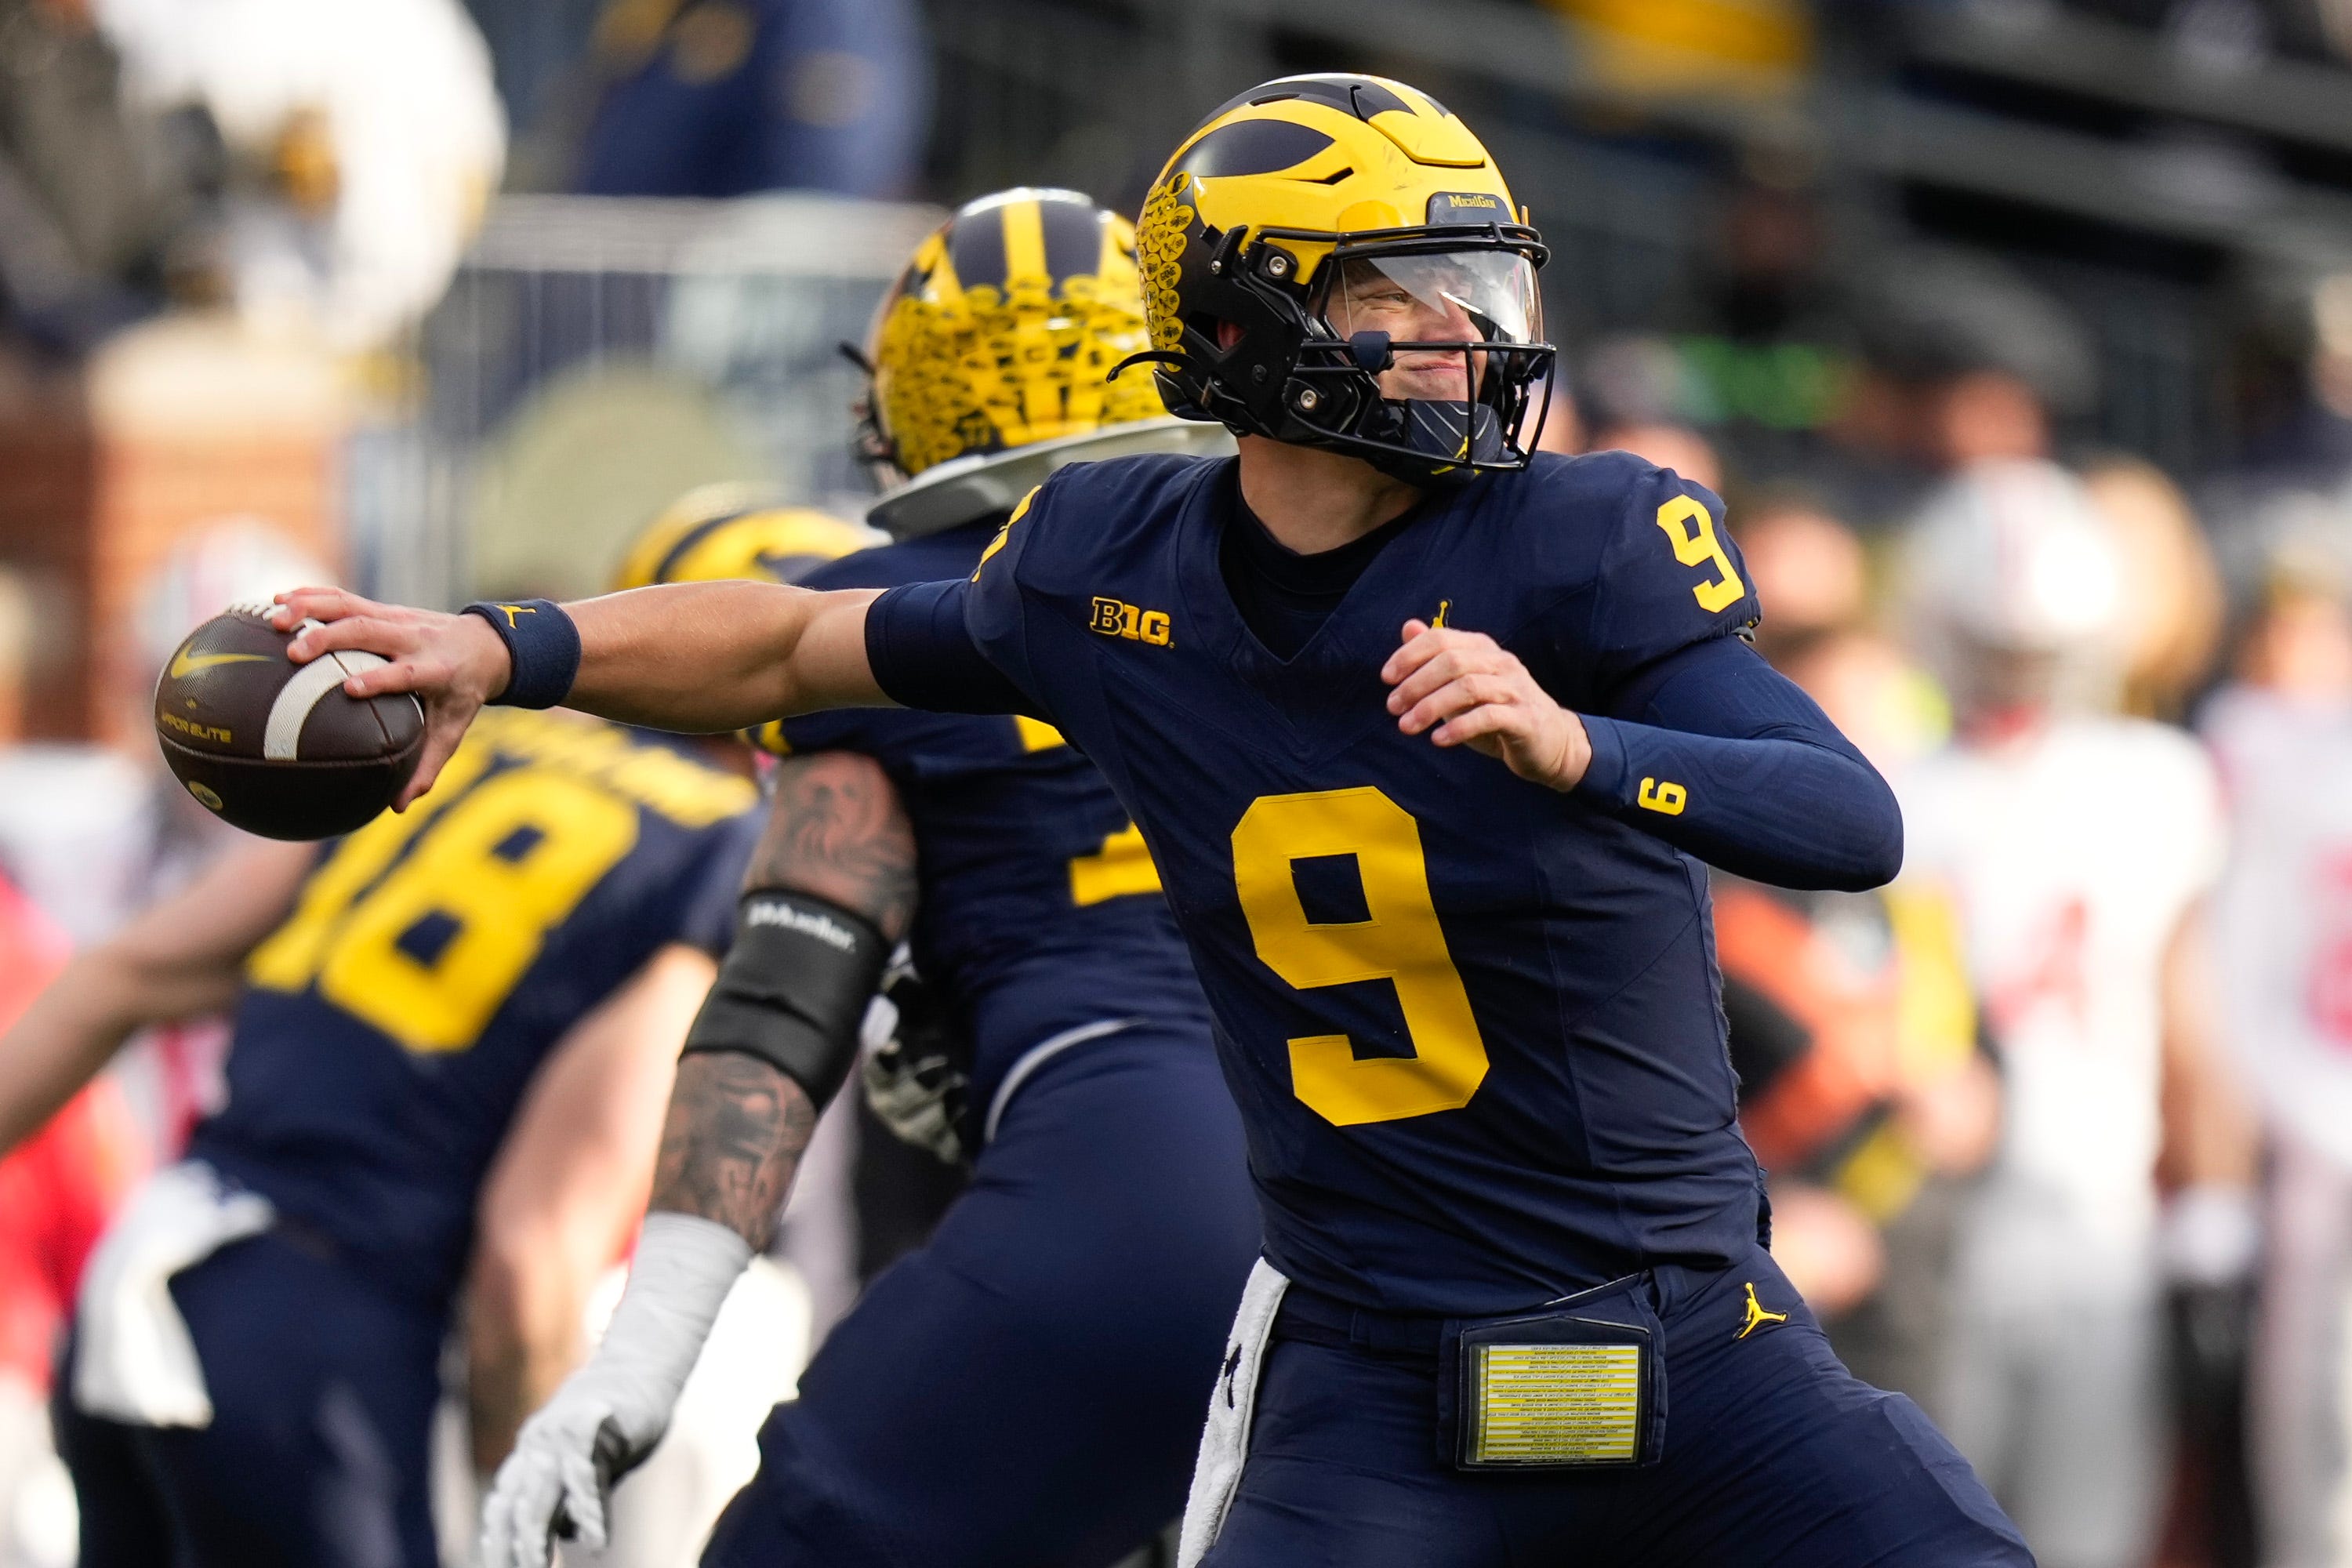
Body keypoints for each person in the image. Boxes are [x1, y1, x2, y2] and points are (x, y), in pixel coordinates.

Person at [281, 74, 2027, 1565]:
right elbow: (796, 638)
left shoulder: (1582, 542)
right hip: (1377, 1376)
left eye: (1482, 285)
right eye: (1409, 293)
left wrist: (1584, 749)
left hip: (1689, 1339)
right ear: (1249, 321)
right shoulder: (1106, 565)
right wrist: (500, 648)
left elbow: (1846, 815)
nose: (1470, 334)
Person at [481, 187, 1259, 1568]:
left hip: (1134, 1173)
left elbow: (776, 1014)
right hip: (1414, 1199)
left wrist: (639, 1360)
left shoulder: (889, 608)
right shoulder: (1317, 567)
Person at [0, 701, 767, 1568]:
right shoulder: (719, 856)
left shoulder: (469, 749)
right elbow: (531, 1260)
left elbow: (121, 976)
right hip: (315, 1357)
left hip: (143, 1283)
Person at [1897, 458, 2257, 1568]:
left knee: (2089, 1537)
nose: (2016, 672)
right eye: (1996, 644)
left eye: (2035, 649)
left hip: (2105, 1221)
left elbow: (2190, 1005)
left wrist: (2214, 1201)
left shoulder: (2159, 779)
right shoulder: (1899, 788)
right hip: (1942, 1230)